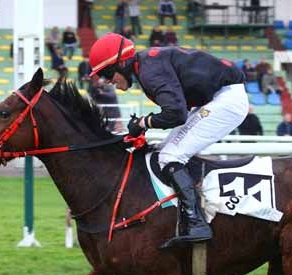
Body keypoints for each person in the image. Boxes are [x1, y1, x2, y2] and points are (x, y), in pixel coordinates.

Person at [87, 32, 247, 247]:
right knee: (165, 151)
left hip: (226, 100)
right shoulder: (146, 66)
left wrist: (144, 123)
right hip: (216, 98)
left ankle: (196, 222)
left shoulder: (149, 71)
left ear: (122, 63)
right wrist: (142, 126)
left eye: (107, 73)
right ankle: (186, 211)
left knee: (171, 155)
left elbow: (176, 114)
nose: (107, 81)